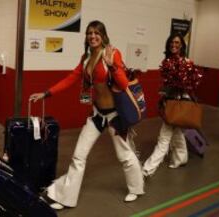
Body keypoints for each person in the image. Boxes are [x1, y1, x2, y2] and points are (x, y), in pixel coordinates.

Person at [29, 20, 144, 210]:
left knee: (124, 154)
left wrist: (113, 67)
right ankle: (66, 198)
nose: (92, 36)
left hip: (115, 116)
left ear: (103, 35)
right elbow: (71, 79)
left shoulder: (112, 53)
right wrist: (47, 93)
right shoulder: (86, 57)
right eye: (89, 33)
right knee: (79, 155)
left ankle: (137, 188)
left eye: (97, 33)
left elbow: (123, 84)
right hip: (98, 115)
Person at [142, 33, 202, 177]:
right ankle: (181, 159)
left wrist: (180, 88)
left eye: (177, 43)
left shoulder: (187, 62)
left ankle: (147, 169)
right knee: (178, 133)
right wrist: (164, 92)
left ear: (182, 45)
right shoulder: (167, 61)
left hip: (179, 103)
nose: (174, 45)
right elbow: (166, 84)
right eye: (171, 43)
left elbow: (192, 83)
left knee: (164, 137)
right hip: (170, 102)